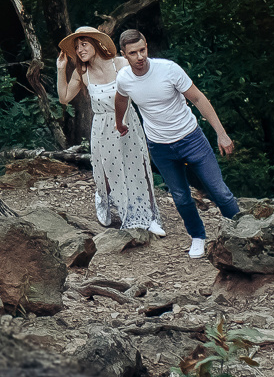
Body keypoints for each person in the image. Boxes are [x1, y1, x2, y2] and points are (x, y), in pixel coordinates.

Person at [113, 27, 240, 258]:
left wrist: (221, 134)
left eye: (142, 50)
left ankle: (241, 232)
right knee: (181, 197)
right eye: (133, 53)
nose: (140, 57)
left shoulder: (168, 69)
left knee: (219, 191)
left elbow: (198, 98)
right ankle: (198, 237)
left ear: (147, 47)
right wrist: (119, 122)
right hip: (160, 146)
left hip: (191, 138)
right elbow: (121, 99)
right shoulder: (124, 78)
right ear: (124, 55)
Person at [53, 26, 160, 234]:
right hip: (102, 126)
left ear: (96, 44)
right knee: (107, 173)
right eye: (77, 47)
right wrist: (60, 69)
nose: (80, 50)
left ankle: (146, 214)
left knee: (137, 167)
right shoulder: (82, 73)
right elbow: (64, 98)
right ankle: (103, 198)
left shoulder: (120, 64)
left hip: (128, 122)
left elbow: (144, 85)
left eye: (84, 44)